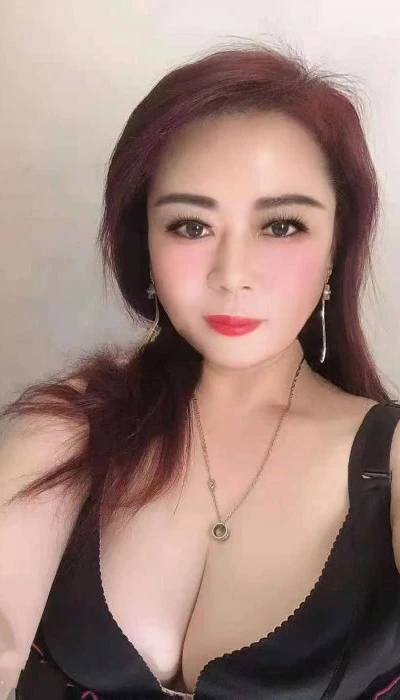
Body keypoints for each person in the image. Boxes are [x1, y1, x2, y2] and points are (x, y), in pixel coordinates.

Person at [1, 39, 400, 700]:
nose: (232, 275)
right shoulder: (72, 426)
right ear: (145, 243)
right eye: (190, 226)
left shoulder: (388, 460)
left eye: (281, 226)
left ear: (338, 244)